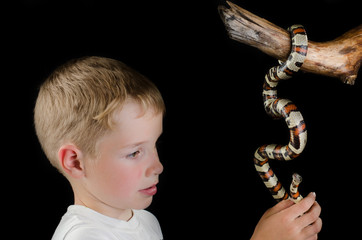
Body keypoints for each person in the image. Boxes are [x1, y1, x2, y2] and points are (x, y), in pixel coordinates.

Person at [34, 56, 322, 240]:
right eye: (134, 152)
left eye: (154, 145)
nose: (158, 166)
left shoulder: (145, 221)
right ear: (75, 162)